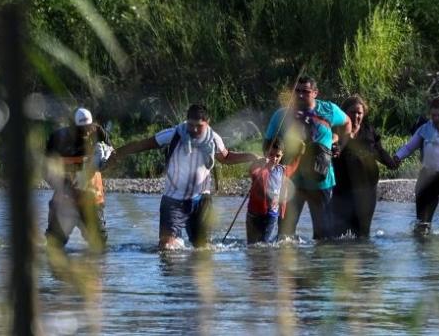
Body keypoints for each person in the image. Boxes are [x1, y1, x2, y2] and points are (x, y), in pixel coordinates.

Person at [111, 104, 256, 249]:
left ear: (208, 122)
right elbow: (145, 144)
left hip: (201, 200)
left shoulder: (214, 139)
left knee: (202, 249)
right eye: (190, 125)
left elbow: (226, 158)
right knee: (166, 247)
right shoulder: (175, 134)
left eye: (199, 126)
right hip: (173, 200)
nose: (193, 129)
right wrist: (117, 154)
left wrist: (252, 157)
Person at [264, 76, 352, 240]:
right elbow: (267, 143)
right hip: (291, 181)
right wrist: (270, 163)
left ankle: (317, 265)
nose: (300, 95)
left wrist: (340, 144)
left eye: (305, 91)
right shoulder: (282, 115)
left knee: (323, 236)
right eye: (297, 91)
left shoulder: (329, 110)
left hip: (321, 181)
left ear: (315, 93)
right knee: (284, 235)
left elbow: (347, 122)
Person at [394, 95, 439, 236]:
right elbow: (409, 147)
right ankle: (423, 255)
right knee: (422, 227)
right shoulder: (424, 129)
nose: (436, 119)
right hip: (427, 179)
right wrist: (397, 157)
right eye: (433, 115)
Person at [43, 107, 114, 252]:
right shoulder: (57, 140)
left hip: (92, 201)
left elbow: (111, 158)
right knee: (53, 248)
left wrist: (107, 149)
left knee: (100, 248)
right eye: (81, 129)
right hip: (65, 201)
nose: (86, 132)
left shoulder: (99, 135)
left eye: (88, 128)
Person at [329, 95, 398, 238]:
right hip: (342, 189)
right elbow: (330, 145)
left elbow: (378, 150)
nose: (356, 116)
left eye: (359, 113)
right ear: (344, 113)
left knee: (362, 232)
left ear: (364, 113)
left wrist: (392, 163)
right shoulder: (337, 131)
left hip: (367, 189)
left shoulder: (368, 130)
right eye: (352, 112)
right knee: (337, 232)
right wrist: (333, 148)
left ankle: (364, 258)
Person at [245, 139, 286, 245]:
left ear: (282, 156)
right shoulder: (259, 167)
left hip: (271, 214)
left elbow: (283, 191)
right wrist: (259, 163)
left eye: (278, 156)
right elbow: (251, 171)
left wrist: (282, 209)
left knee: (264, 243)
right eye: (271, 154)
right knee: (252, 244)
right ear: (265, 154)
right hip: (254, 213)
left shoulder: (281, 170)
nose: (274, 158)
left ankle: (265, 260)